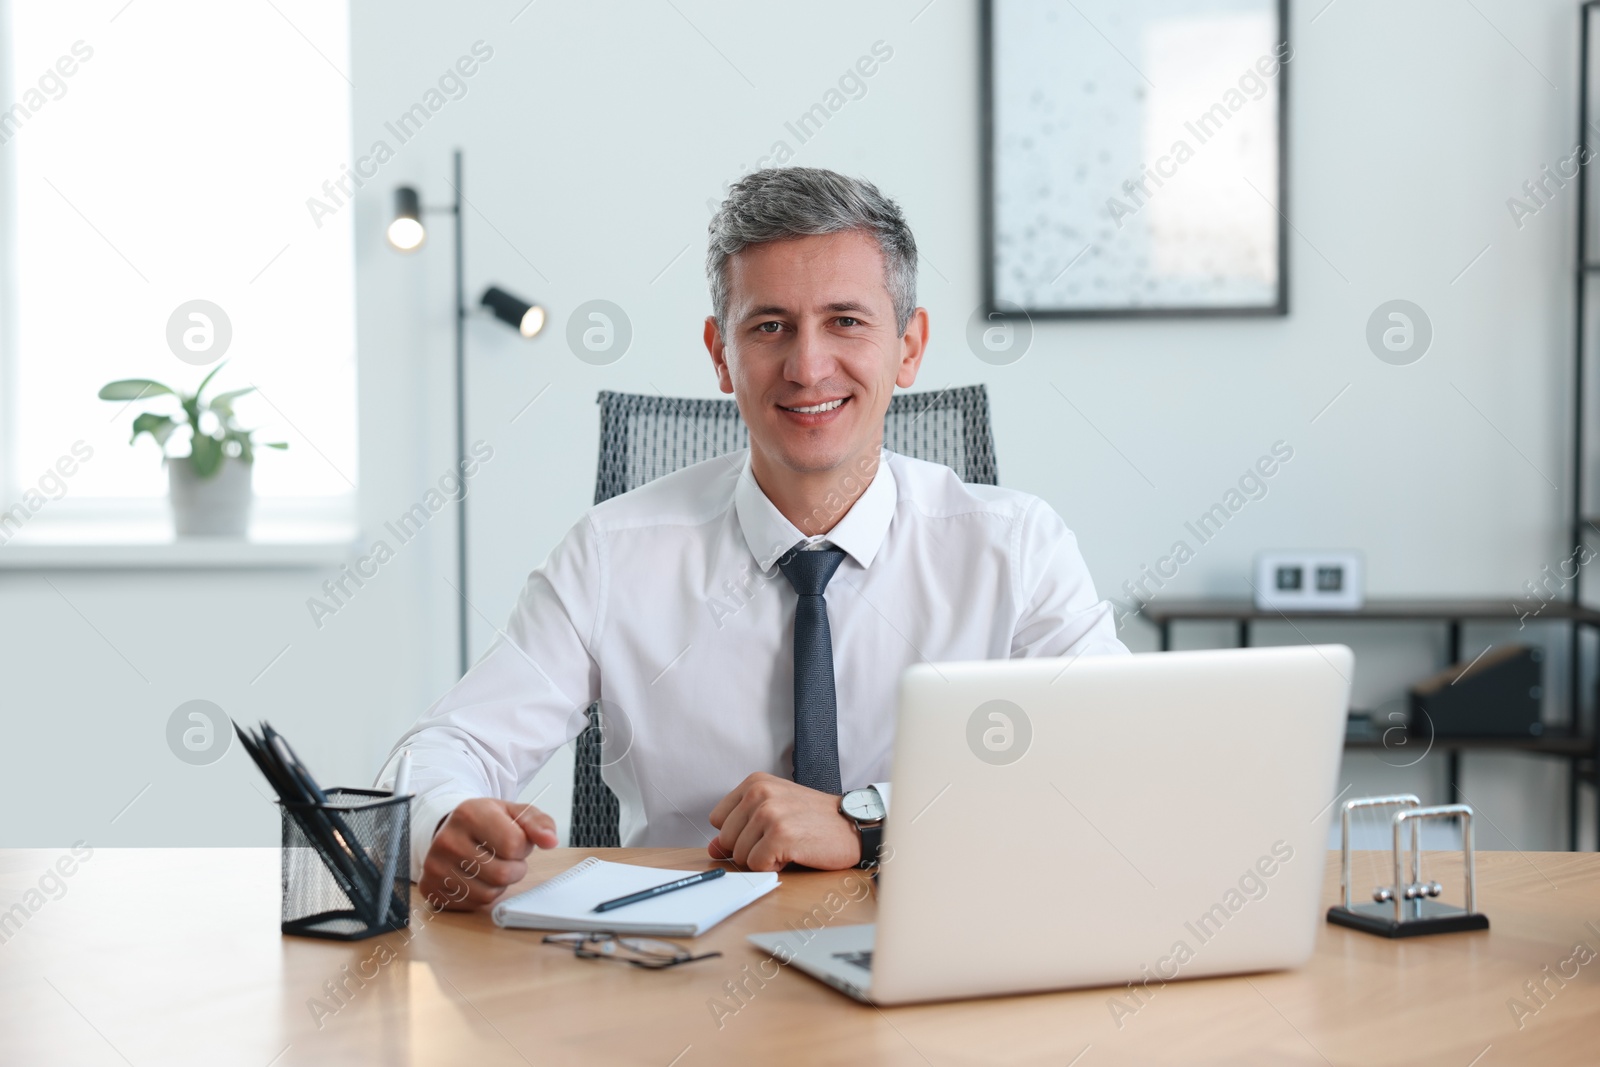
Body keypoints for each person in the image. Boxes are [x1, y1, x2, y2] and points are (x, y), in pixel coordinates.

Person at [381, 166, 1127, 910]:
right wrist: (442, 819)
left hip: (952, 941)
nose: (807, 367)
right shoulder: (611, 555)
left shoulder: (1016, 548)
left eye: (846, 321)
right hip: (677, 970)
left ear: (908, 347)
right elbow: (440, 752)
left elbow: (1119, 762)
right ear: (719, 354)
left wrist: (869, 819)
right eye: (770, 326)